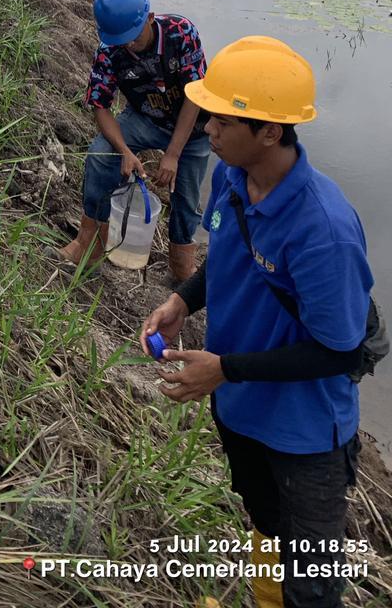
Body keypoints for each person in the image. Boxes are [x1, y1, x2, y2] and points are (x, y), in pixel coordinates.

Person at [142, 37, 372, 608]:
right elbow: (229, 258)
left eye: (223, 119)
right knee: (265, 524)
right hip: (241, 411)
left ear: (271, 131)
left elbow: (340, 352)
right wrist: (184, 302)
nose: (209, 130)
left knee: (313, 580)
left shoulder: (324, 230)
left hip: (304, 435)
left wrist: (224, 370)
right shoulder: (231, 177)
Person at [59, 0, 211, 283]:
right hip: (145, 120)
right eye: (120, 41)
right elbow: (100, 106)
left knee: (187, 193)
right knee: (101, 155)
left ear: (150, 18)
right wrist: (125, 152)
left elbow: (195, 95)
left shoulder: (181, 33)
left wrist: (173, 154)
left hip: (191, 127)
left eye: (133, 37)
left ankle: (181, 266)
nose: (128, 46)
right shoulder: (109, 51)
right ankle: (88, 244)